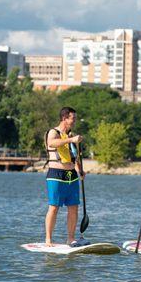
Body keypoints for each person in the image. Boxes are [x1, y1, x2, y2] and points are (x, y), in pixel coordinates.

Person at [44, 106, 85, 247]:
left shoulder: (71, 135)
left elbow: (75, 156)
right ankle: (48, 239)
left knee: (73, 207)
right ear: (64, 118)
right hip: (56, 174)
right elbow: (52, 143)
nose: (74, 121)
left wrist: (80, 170)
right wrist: (70, 140)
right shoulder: (53, 132)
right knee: (54, 207)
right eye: (72, 118)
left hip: (71, 175)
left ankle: (71, 238)